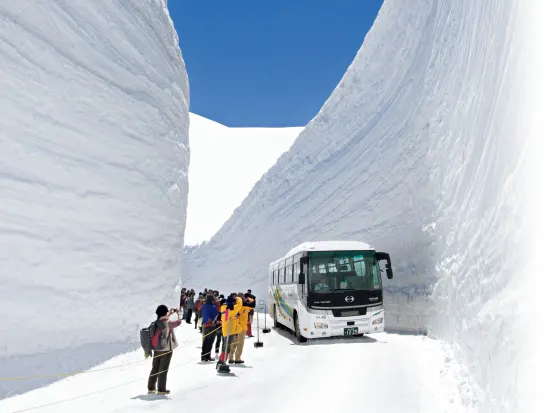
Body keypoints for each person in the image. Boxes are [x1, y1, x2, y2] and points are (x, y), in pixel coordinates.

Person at [147, 305, 181, 395]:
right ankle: (161, 389)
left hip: (156, 349)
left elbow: (163, 320)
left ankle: (151, 387)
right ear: (165, 313)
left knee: (155, 368)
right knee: (163, 369)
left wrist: (169, 314)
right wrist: (178, 314)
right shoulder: (168, 323)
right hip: (166, 349)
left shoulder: (156, 322)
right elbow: (178, 322)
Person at [217, 295, 242, 367]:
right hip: (229, 331)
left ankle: (221, 361)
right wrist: (238, 298)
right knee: (227, 347)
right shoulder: (231, 308)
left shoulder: (224, 308)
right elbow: (239, 305)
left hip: (226, 330)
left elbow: (227, 317)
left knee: (225, 346)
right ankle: (222, 361)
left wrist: (234, 317)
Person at [229, 294, 254, 364]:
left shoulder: (234, 306)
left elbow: (227, 315)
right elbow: (252, 304)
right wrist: (249, 299)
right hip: (241, 328)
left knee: (233, 342)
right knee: (240, 343)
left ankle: (230, 357)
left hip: (234, 327)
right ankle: (237, 358)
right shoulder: (245, 306)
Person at [200, 294, 218, 361]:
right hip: (211, 325)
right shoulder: (213, 306)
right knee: (210, 341)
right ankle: (207, 356)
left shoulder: (204, 306)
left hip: (204, 325)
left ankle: (203, 355)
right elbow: (216, 315)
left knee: (205, 341)